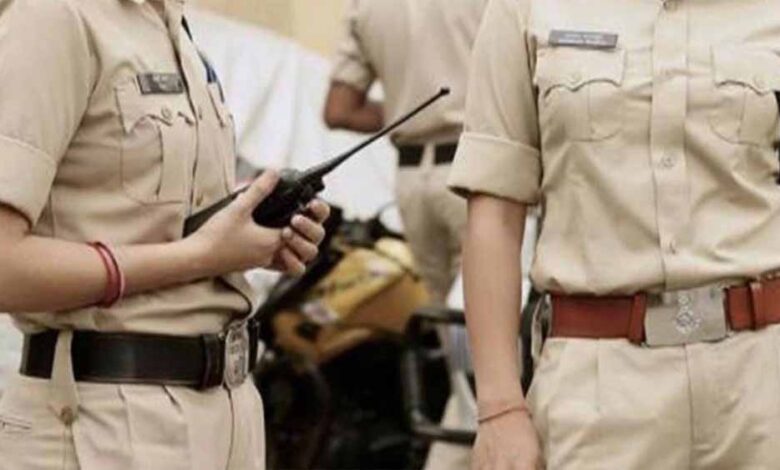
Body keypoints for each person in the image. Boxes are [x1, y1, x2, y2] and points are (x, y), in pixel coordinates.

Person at [449, 0, 780, 468]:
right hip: (597, 390)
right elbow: (495, 215)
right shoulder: (525, 9)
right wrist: (499, 409)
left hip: (761, 381)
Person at [0, 1, 330, 469]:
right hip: (103, 420)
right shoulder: (56, 17)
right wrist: (201, 256)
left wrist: (252, 234)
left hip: (228, 413)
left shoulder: (171, 27)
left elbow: (157, 222)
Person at [324, 1, 487, 468]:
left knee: (460, 348)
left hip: (414, 182)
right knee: (497, 346)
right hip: (480, 169)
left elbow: (339, 109)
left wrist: (408, 111)